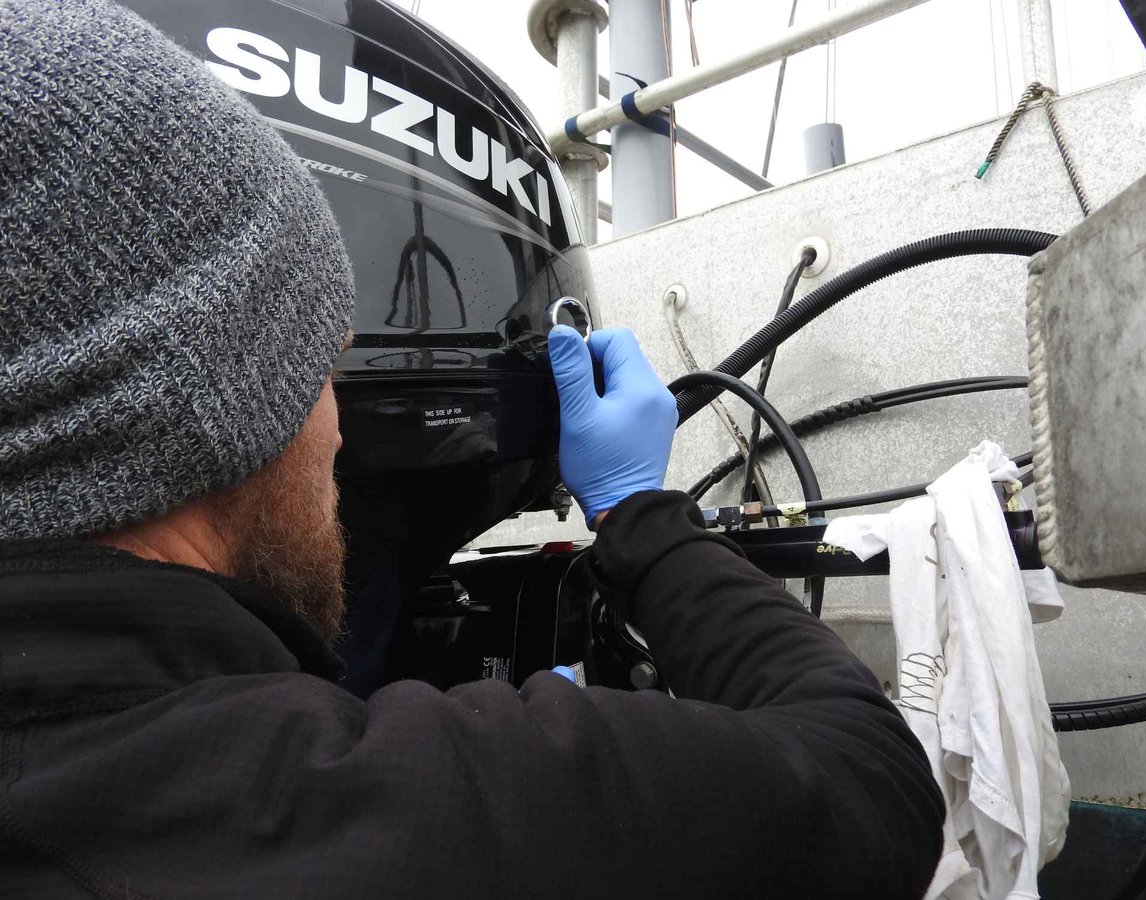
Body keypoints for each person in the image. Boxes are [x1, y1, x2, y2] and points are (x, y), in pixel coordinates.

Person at [0, 1, 944, 897]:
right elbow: (866, 779)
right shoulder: (369, 825)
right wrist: (638, 518)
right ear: (216, 398)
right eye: (322, 370)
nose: (336, 427)